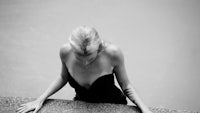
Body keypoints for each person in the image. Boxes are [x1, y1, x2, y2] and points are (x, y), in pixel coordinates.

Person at [17, 26, 152, 113]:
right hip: (81, 103)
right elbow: (63, 77)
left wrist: (145, 110)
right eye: (79, 56)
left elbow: (126, 85)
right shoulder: (65, 52)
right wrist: (40, 99)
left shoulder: (113, 54)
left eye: (89, 56)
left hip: (114, 104)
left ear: (99, 49)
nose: (85, 62)